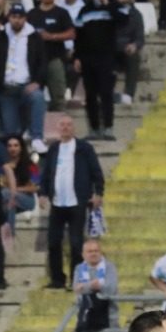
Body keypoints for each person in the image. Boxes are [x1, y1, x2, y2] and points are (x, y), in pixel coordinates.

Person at [39, 115, 103, 289]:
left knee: (76, 244)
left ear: (74, 128)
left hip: (77, 203)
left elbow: (96, 172)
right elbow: (46, 173)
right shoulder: (53, 149)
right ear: (58, 128)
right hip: (57, 204)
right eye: (62, 125)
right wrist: (43, 193)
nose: (66, 128)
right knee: (53, 242)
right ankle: (57, 279)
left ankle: (76, 279)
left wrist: (98, 192)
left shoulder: (84, 148)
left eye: (69, 125)